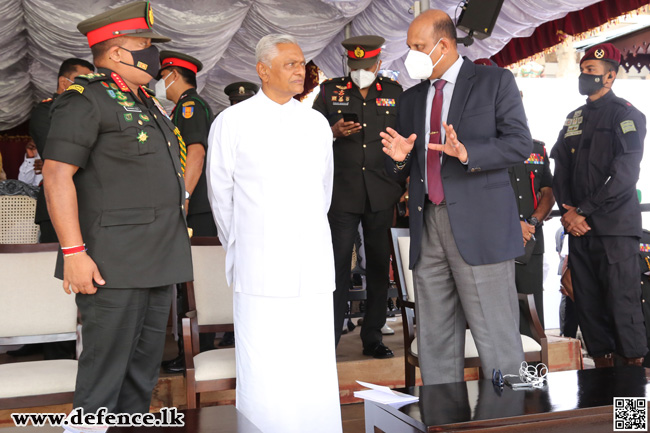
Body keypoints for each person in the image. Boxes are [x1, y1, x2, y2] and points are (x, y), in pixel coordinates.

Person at [42, 1, 192, 414]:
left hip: (159, 258)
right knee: (104, 375)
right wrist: (74, 253)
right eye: (143, 44)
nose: (153, 54)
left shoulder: (145, 100)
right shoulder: (86, 100)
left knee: (142, 374)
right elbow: (56, 176)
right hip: (113, 264)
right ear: (114, 52)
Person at [380, 9, 531, 385]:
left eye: (418, 46)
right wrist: (399, 162)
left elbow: (519, 145)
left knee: (495, 335)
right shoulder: (412, 98)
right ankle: (442, 419)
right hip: (428, 221)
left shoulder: (494, 81)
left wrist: (467, 154)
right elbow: (402, 166)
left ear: (443, 45)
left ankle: (506, 419)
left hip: (480, 226)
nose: (411, 54)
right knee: (433, 336)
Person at [207, 34, 342, 433]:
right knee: (265, 363)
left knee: (312, 361)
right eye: (290, 64)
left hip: (312, 264)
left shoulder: (316, 122)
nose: (300, 70)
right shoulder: (232, 121)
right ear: (262, 70)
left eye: (302, 63)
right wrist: (248, 243)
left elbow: (325, 190)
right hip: (260, 264)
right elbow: (221, 196)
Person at [550, 42, 647, 367]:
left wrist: (584, 210)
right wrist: (568, 213)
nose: (584, 75)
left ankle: (630, 414)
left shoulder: (627, 114)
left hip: (614, 232)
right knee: (589, 313)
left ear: (610, 77)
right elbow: (560, 167)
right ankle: (605, 404)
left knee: (623, 312)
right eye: (583, 69)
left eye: (591, 71)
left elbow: (625, 174)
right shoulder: (573, 118)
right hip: (579, 233)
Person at [313, 35, 403, 358]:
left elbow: (404, 144)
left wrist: (401, 183)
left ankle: (373, 336)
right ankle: (329, 337)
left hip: (381, 192)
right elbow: (308, 139)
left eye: (366, 67)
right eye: (355, 66)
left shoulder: (394, 93)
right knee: (335, 267)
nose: (360, 72)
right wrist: (331, 132)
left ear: (378, 64)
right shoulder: (328, 92)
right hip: (342, 193)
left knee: (379, 265)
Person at [156, 50, 217, 374]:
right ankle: (195, 350)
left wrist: (186, 195)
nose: (159, 83)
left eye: (162, 76)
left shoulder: (191, 107)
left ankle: (198, 351)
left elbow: (196, 152)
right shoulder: (183, 107)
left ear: (173, 76)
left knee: (197, 282)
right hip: (194, 207)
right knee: (191, 281)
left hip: (197, 209)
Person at [30, 57, 94, 244]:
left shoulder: (93, 111)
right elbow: (55, 151)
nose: (88, 87)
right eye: (83, 81)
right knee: (56, 268)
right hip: (57, 206)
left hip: (91, 204)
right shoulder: (45, 111)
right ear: (65, 83)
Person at [508, 138, 554, 336]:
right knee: (498, 311)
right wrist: (512, 226)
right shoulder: (489, 148)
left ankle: (533, 367)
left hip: (531, 244)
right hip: (496, 242)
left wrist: (532, 223)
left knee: (532, 314)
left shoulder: (537, 149)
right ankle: (503, 367)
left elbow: (548, 193)